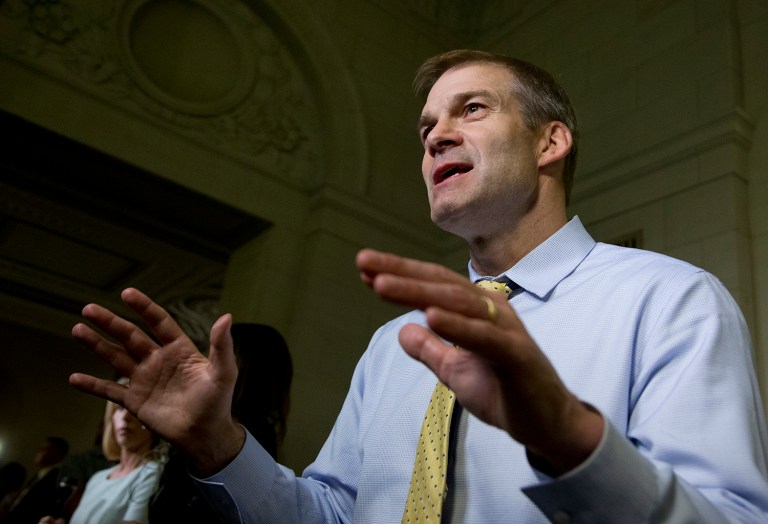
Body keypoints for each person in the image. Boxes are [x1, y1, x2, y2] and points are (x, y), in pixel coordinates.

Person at [67, 49, 768, 522]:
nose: (433, 138)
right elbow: (332, 512)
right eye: (426, 125)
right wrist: (218, 443)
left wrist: (573, 442)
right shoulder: (394, 345)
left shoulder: (671, 299)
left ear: (550, 142)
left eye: (471, 110)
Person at [148, 323, 293, 523]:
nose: (207, 365)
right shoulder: (230, 425)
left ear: (244, 367)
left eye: (218, 356)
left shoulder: (246, 436)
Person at [39, 382, 163, 524]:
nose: (125, 417)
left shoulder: (154, 473)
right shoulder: (97, 478)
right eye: (120, 407)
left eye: (135, 408)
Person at [1, 437, 68, 523]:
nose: (39, 451)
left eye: (47, 448)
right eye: (41, 448)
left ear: (59, 453)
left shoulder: (56, 478)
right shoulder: (39, 475)